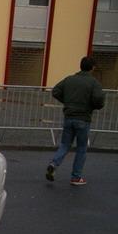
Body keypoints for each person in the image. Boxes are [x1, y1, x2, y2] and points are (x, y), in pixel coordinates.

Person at [46, 56, 105, 186]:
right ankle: (76, 177)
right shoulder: (94, 83)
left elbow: (56, 91)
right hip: (83, 118)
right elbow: (99, 99)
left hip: (69, 116)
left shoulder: (69, 79)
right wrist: (93, 106)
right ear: (92, 68)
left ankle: (54, 163)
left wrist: (67, 102)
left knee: (65, 144)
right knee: (81, 148)